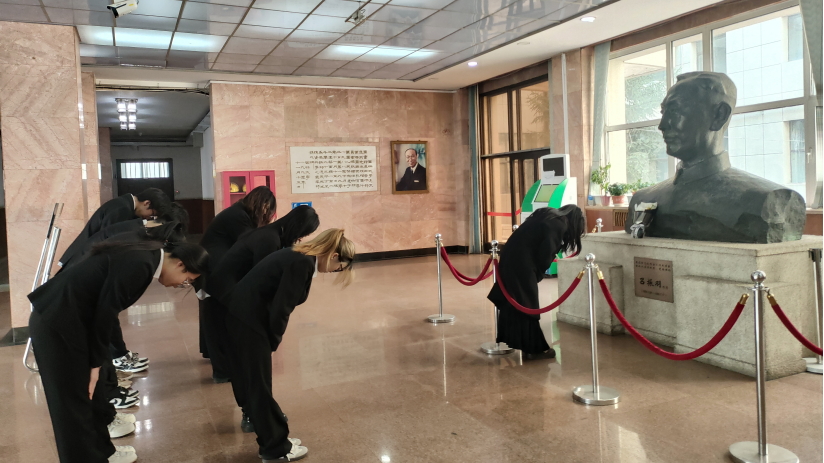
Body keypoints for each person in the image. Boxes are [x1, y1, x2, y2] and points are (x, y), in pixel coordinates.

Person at [28, 240, 207, 463]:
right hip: (57, 324)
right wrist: (96, 364)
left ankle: (103, 453)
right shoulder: (142, 264)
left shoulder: (147, 256)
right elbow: (106, 314)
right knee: (73, 406)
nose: (181, 284)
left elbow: (104, 312)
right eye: (187, 279)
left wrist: (98, 363)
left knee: (93, 397)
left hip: (74, 322)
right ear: (180, 264)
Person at [626, 71, 806, 243]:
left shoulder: (769, 201)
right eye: (663, 112)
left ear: (719, 115)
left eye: (675, 111)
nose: (662, 125)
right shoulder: (643, 199)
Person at [226, 229, 355, 462]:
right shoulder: (302, 263)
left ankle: (270, 437)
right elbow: (281, 309)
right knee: (259, 386)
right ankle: (275, 449)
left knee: (254, 383)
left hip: (243, 315)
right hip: (249, 320)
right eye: (339, 267)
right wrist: (273, 340)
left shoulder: (299, 256)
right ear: (334, 256)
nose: (334, 272)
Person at [203, 205, 320, 385]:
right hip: (225, 288)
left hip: (225, 285)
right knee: (228, 335)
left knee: (226, 334)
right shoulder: (270, 239)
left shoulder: (270, 232)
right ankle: (226, 373)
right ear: (298, 227)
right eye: (304, 233)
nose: (301, 238)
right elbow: (262, 279)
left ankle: (228, 372)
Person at [487, 205, 585, 358]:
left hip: (510, 257)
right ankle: (533, 350)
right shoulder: (559, 224)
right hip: (521, 263)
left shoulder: (547, 215)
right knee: (527, 303)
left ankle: (519, 342)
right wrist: (539, 272)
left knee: (516, 300)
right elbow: (545, 255)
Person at [198, 187, 276, 363]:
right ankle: (222, 355)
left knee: (212, 311)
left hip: (212, 264)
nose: (267, 215)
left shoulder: (239, 212)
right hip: (215, 267)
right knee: (219, 311)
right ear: (263, 205)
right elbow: (250, 244)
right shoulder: (239, 216)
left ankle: (215, 352)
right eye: (268, 210)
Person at [58, 188, 172, 268]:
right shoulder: (122, 209)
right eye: (152, 214)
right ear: (146, 203)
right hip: (83, 258)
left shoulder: (123, 204)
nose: (148, 218)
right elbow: (108, 240)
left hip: (83, 256)